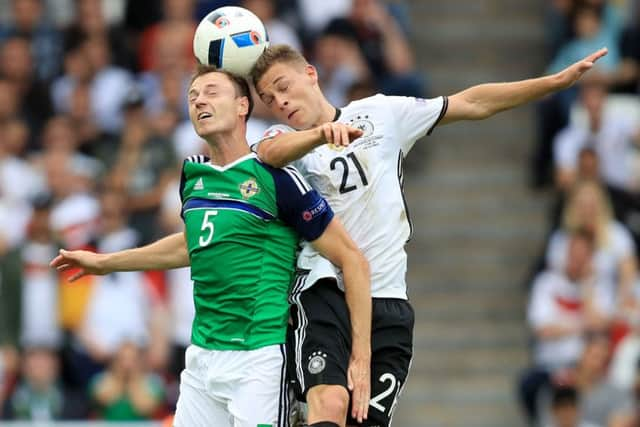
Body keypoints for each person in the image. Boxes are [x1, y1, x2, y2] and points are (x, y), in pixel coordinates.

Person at [248, 44, 609, 427]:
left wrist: (552, 83)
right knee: (330, 404)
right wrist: (320, 135)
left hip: (387, 301)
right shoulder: (284, 138)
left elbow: (472, 103)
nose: (280, 101)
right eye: (269, 98)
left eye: (283, 86)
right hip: (324, 292)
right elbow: (270, 152)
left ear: (310, 73)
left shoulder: (381, 113)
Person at [50, 66, 372, 427]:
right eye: (192, 96)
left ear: (242, 106)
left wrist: (361, 355)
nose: (199, 100)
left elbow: (350, 257)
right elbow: (192, 245)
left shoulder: (276, 179)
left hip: (258, 357)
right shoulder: (192, 175)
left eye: (211, 92)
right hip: (202, 356)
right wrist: (105, 263)